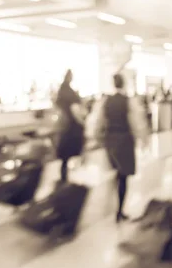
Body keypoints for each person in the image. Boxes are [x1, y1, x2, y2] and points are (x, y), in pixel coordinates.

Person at [90, 73, 148, 223]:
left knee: (114, 172)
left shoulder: (105, 101)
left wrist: (96, 137)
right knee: (123, 176)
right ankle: (119, 210)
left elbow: (97, 121)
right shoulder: (128, 101)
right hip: (124, 140)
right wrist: (143, 140)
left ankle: (110, 206)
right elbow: (136, 122)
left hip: (110, 140)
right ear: (124, 84)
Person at [55, 70, 86, 183]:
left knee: (64, 157)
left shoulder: (61, 91)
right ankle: (73, 179)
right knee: (75, 153)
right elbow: (75, 110)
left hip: (63, 126)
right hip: (72, 127)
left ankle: (63, 178)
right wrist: (82, 122)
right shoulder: (70, 92)